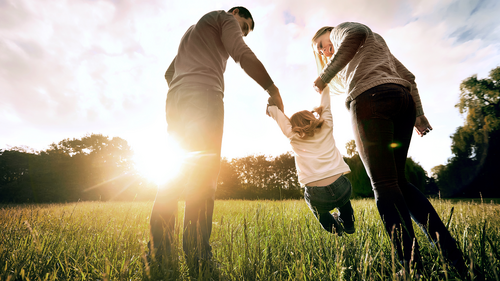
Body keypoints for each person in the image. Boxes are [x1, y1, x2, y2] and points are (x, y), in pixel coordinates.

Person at [311, 22, 466, 275]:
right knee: (398, 184)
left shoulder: (342, 30)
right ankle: (457, 260)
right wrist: (419, 114)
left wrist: (324, 76)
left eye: (321, 44)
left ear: (329, 33)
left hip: (371, 100)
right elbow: (409, 77)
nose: (324, 51)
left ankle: (411, 266)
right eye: (320, 52)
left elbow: (356, 33)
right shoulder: (376, 46)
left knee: (383, 185)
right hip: (401, 101)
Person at [149, 6, 284, 267]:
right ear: (234, 13)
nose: (242, 33)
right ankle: (198, 255)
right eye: (243, 26)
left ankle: (160, 252)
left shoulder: (192, 31)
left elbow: (169, 73)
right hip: (204, 96)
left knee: (173, 174)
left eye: (245, 31)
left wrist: (185, 87)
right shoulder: (223, 18)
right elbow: (241, 53)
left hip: (176, 99)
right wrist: (272, 87)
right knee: (203, 175)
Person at [267, 86, 355, 236]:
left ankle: (335, 230)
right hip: (341, 186)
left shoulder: (292, 134)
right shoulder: (326, 125)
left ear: (293, 126)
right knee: (343, 201)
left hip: (316, 192)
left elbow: (277, 116)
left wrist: (272, 108)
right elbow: (326, 104)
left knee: (320, 212)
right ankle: (348, 224)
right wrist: (324, 87)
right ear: (312, 117)